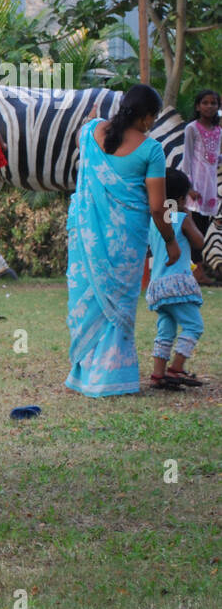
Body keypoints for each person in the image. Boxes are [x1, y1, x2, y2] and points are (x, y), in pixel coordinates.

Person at [65, 84, 175, 397]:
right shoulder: (151, 149)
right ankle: (111, 376)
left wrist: (92, 121)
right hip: (125, 241)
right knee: (118, 304)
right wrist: (170, 241)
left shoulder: (90, 131)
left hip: (86, 237)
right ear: (146, 116)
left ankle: (85, 373)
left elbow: (82, 136)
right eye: (153, 117)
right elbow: (158, 207)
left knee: (88, 299)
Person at [146, 168, 206, 389]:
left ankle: (158, 374)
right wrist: (188, 216)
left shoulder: (154, 221)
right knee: (194, 326)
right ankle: (176, 368)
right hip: (177, 285)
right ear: (181, 199)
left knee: (166, 329)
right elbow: (199, 243)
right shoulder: (181, 217)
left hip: (158, 287)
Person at [182, 88, 219, 283]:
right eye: (205, 102)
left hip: (210, 188)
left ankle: (197, 269)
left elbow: (215, 157)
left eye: (213, 103)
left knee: (203, 230)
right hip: (195, 187)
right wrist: (188, 187)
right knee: (192, 228)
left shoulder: (218, 131)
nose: (209, 106)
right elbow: (187, 158)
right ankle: (196, 271)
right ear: (198, 106)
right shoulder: (192, 129)